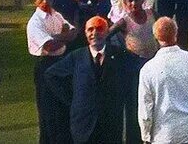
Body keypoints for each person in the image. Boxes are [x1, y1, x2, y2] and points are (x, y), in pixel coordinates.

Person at [46, 16, 127, 144]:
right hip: (83, 124)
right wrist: (72, 98)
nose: (94, 33)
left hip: (110, 124)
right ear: (85, 33)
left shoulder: (119, 55)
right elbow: (51, 75)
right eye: (90, 30)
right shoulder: (77, 56)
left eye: (99, 29)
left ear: (107, 32)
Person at [138, 17, 188, 144]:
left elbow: (145, 108)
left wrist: (145, 135)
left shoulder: (148, 69)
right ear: (176, 33)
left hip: (163, 134)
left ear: (155, 37)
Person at [28, 0, 79, 144]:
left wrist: (57, 37)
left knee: (63, 107)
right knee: (48, 111)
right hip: (45, 65)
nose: (45, 2)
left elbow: (74, 32)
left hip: (61, 62)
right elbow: (49, 47)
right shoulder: (35, 23)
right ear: (35, 1)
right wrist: (63, 37)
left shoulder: (56, 15)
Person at [107, 0, 157, 144]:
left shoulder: (152, 14)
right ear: (125, 3)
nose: (133, 4)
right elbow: (107, 35)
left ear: (143, 0)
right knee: (135, 104)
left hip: (153, 63)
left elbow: (164, 28)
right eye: (130, 1)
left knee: (154, 101)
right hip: (133, 65)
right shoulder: (124, 21)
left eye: (136, 0)